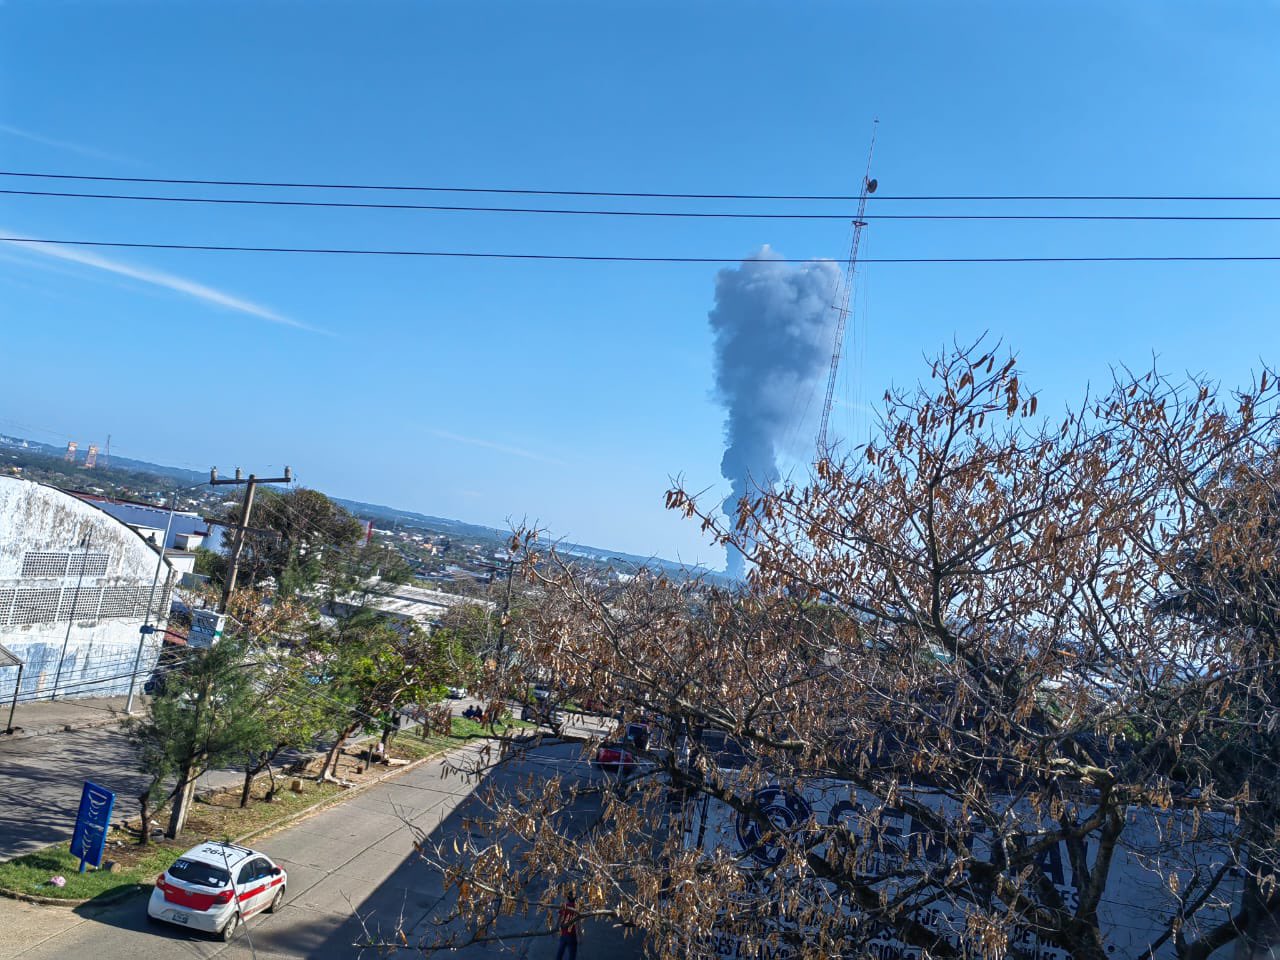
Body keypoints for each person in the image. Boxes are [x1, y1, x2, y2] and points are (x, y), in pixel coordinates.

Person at [555, 893, 580, 960]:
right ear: (575, 899)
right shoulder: (576, 908)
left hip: (563, 934)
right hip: (572, 935)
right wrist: (579, 937)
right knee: (572, 955)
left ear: (568, 898)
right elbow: (577, 924)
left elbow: (559, 918)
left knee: (560, 953)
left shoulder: (565, 906)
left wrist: (556, 928)